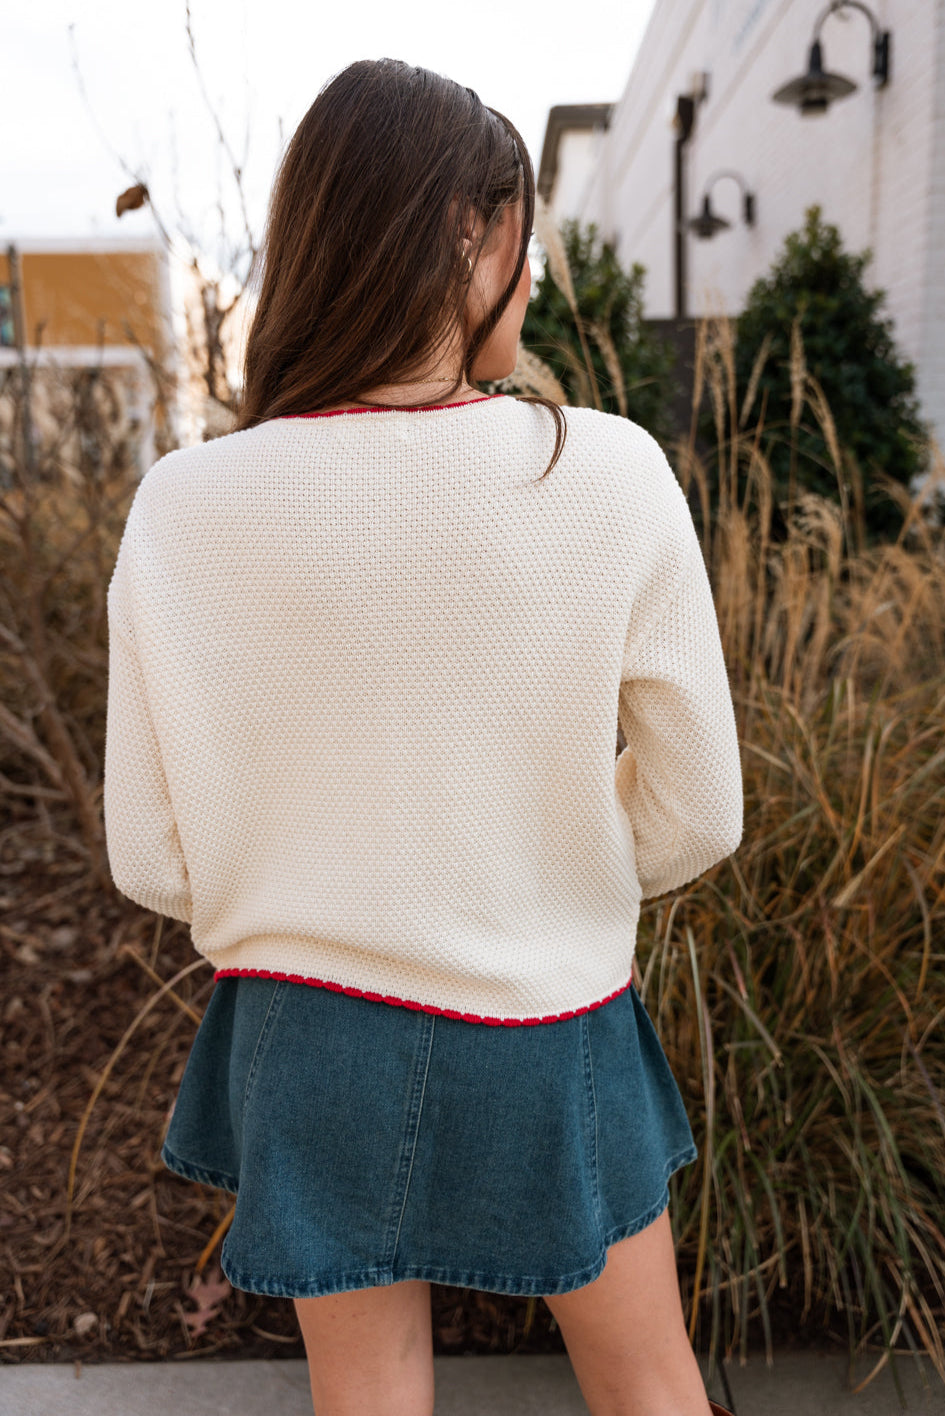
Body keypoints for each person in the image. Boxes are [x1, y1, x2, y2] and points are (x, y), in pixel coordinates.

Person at [103, 57, 742, 1416]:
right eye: (524, 235)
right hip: (546, 1014)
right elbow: (697, 814)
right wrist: (537, 854)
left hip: (303, 1031)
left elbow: (154, 859)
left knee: (371, 1396)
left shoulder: (182, 507)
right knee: (645, 1382)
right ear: (469, 235)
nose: (540, 271)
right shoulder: (607, 472)